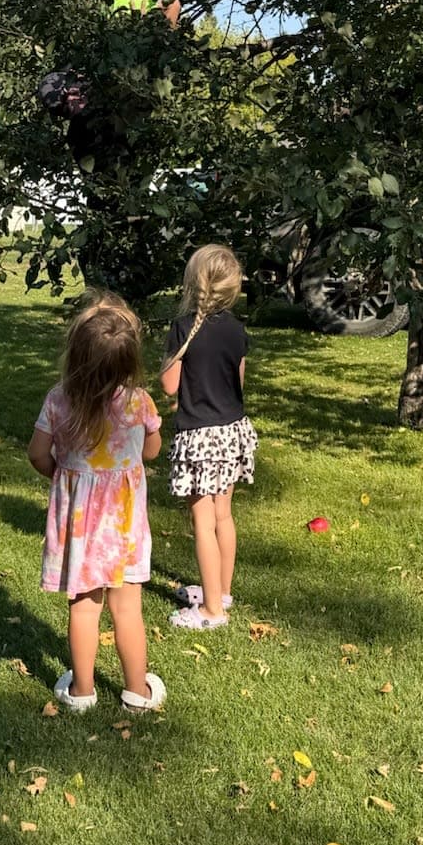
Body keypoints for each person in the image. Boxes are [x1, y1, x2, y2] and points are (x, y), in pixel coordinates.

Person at [26, 295, 167, 712]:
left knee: (84, 607)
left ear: (76, 355)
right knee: (128, 610)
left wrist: (64, 476)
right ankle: (137, 692)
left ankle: (82, 692)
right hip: (123, 525)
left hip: (81, 525)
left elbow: (37, 453)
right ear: (129, 361)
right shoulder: (139, 401)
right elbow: (153, 450)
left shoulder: (59, 399)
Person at [160, 244, 256, 630]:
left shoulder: (183, 329)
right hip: (233, 431)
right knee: (223, 515)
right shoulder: (237, 330)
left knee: (202, 519)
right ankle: (221, 591)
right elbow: (239, 382)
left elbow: (169, 386)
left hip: (199, 435)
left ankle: (211, 610)